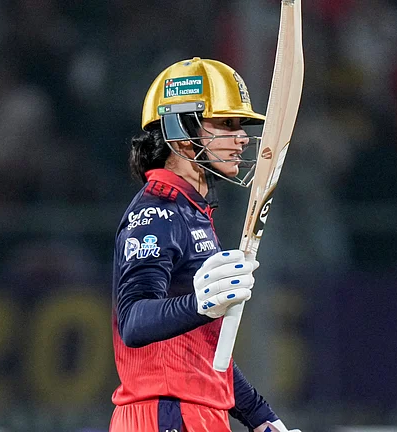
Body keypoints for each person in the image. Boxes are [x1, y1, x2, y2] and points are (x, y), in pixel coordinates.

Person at [110, 57, 301, 432]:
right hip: (163, 412)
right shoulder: (157, 212)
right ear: (180, 133)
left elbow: (206, 353)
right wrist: (200, 304)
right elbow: (132, 321)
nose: (242, 137)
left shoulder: (192, 211)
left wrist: (261, 417)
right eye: (226, 124)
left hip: (196, 411)